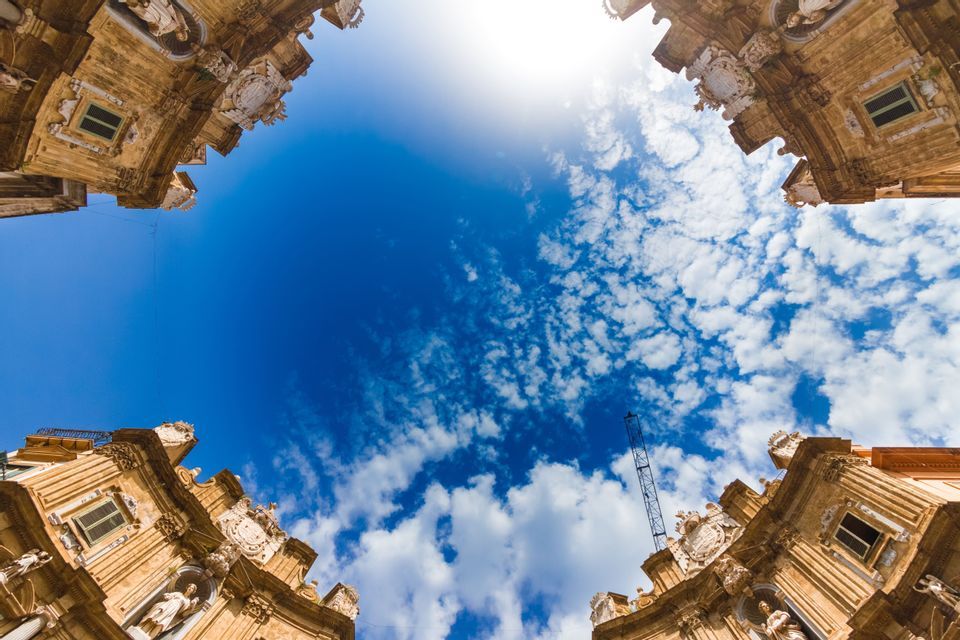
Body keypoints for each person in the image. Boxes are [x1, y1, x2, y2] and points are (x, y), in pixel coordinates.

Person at [133, 583, 199, 637]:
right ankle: (140, 633)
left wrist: (192, 606)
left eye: (192, 588)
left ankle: (149, 638)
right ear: (187, 587)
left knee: (161, 625)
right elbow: (168, 595)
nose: (190, 588)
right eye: (190, 587)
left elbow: (183, 613)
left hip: (172, 613)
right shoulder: (178, 594)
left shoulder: (188, 601)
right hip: (166, 606)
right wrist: (168, 596)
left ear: (193, 591)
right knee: (153, 619)